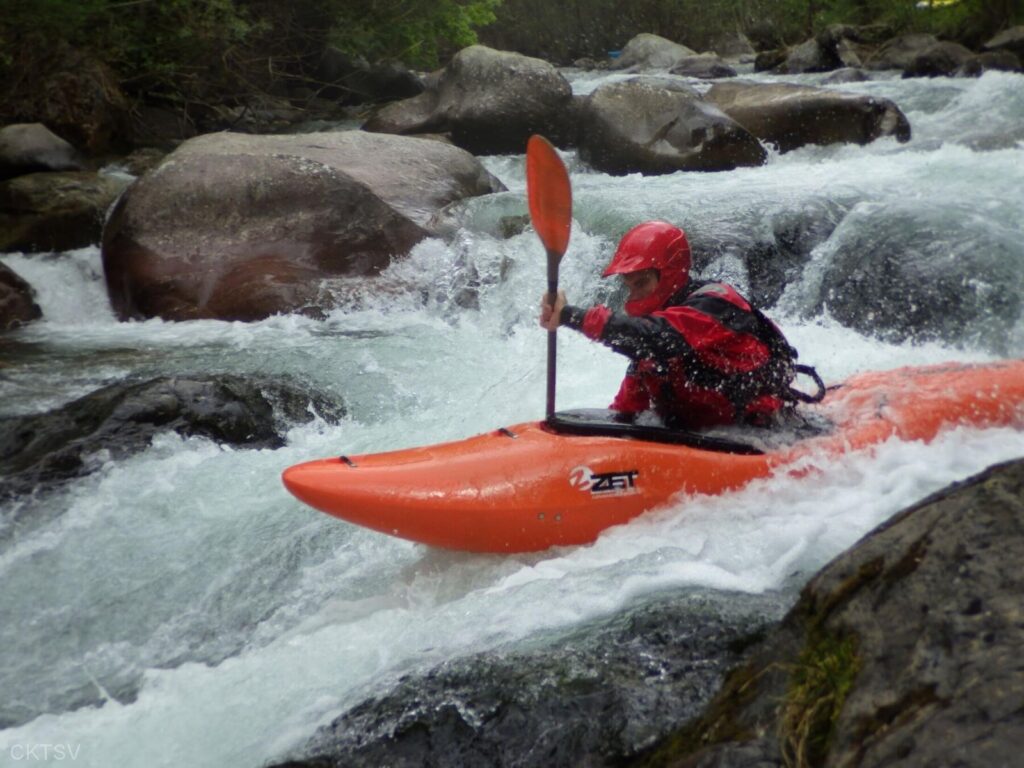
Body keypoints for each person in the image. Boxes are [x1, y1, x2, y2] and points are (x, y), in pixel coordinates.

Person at [539, 220, 820, 430]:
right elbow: (626, 412)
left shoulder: (714, 305)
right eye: (629, 285)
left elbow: (658, 337)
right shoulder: (649, 342)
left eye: (641, 283)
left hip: (763, 432)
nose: (633, 295)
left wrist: (571, 316)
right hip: (704, 436)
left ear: (670, 275)